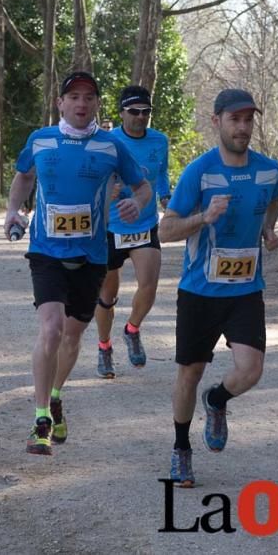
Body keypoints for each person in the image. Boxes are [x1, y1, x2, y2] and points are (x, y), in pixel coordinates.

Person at [4, 71, 151, 456]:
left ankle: (54, 395)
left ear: (97, 104)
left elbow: (143, 186)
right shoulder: (41, 140)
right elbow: (23, 177)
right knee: (50, 330)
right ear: (61, 103)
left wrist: (137, 203)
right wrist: (13, 211)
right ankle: (40, 419)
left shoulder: (111, 147)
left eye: (89, 97)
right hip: (46, 251)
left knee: (71, 336)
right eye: (74, 97)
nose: (81, 104)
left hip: (91, 256)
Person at [159, 88, 278, 488]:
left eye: (249, 120)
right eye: (235, 119)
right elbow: (166, 229)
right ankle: (181, 449)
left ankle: (218, 401)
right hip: (200, 292)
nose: (243, 127)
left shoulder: (269, 170)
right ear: (217, 122)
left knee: (251, 370)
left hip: (246, 290)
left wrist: (268, 228)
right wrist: (204, 217)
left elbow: (272, 200)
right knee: (189, 373)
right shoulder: (200, 171)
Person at [93, 85, 171, 378]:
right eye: (134, 112)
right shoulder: (107, 141)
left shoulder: (159, 141)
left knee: (149, 285)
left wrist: (166, 198)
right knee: (107, 296)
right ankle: (104, 347)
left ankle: (132, 328)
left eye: (146, 112)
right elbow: (92, 178)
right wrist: (105, 190)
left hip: (144, 223)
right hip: (111, 227)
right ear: (122, 112)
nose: (140, 117)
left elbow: (160, 175)